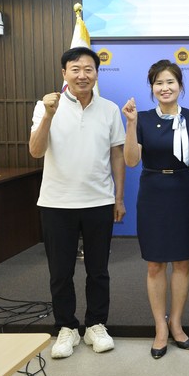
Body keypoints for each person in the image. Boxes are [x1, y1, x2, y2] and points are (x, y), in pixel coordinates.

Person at [29, 47, 125, 359]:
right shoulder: (45, 107)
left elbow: (117, 155)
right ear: (64, 74)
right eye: (75, 69)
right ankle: (66, 327)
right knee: (60, 272)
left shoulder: (109, 109)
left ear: (96, 73)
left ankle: (96, 324)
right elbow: (35, 151)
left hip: (99, 201)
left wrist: (118, 198)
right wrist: (49, 115)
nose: (82, 75)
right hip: (56, 203)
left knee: (98, 270)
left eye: (88, 69)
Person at [121, 59, 189, 359]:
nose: (165, 87)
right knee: (155, 264)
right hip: (154, 195)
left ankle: (176, 323)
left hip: (185, 192)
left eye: (170, 82)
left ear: (180, 85)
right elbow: (131, 161)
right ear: (152, 88)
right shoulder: (142, 119)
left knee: (182, 263)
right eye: (158, 83)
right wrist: (130, 124)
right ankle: (160, 326)